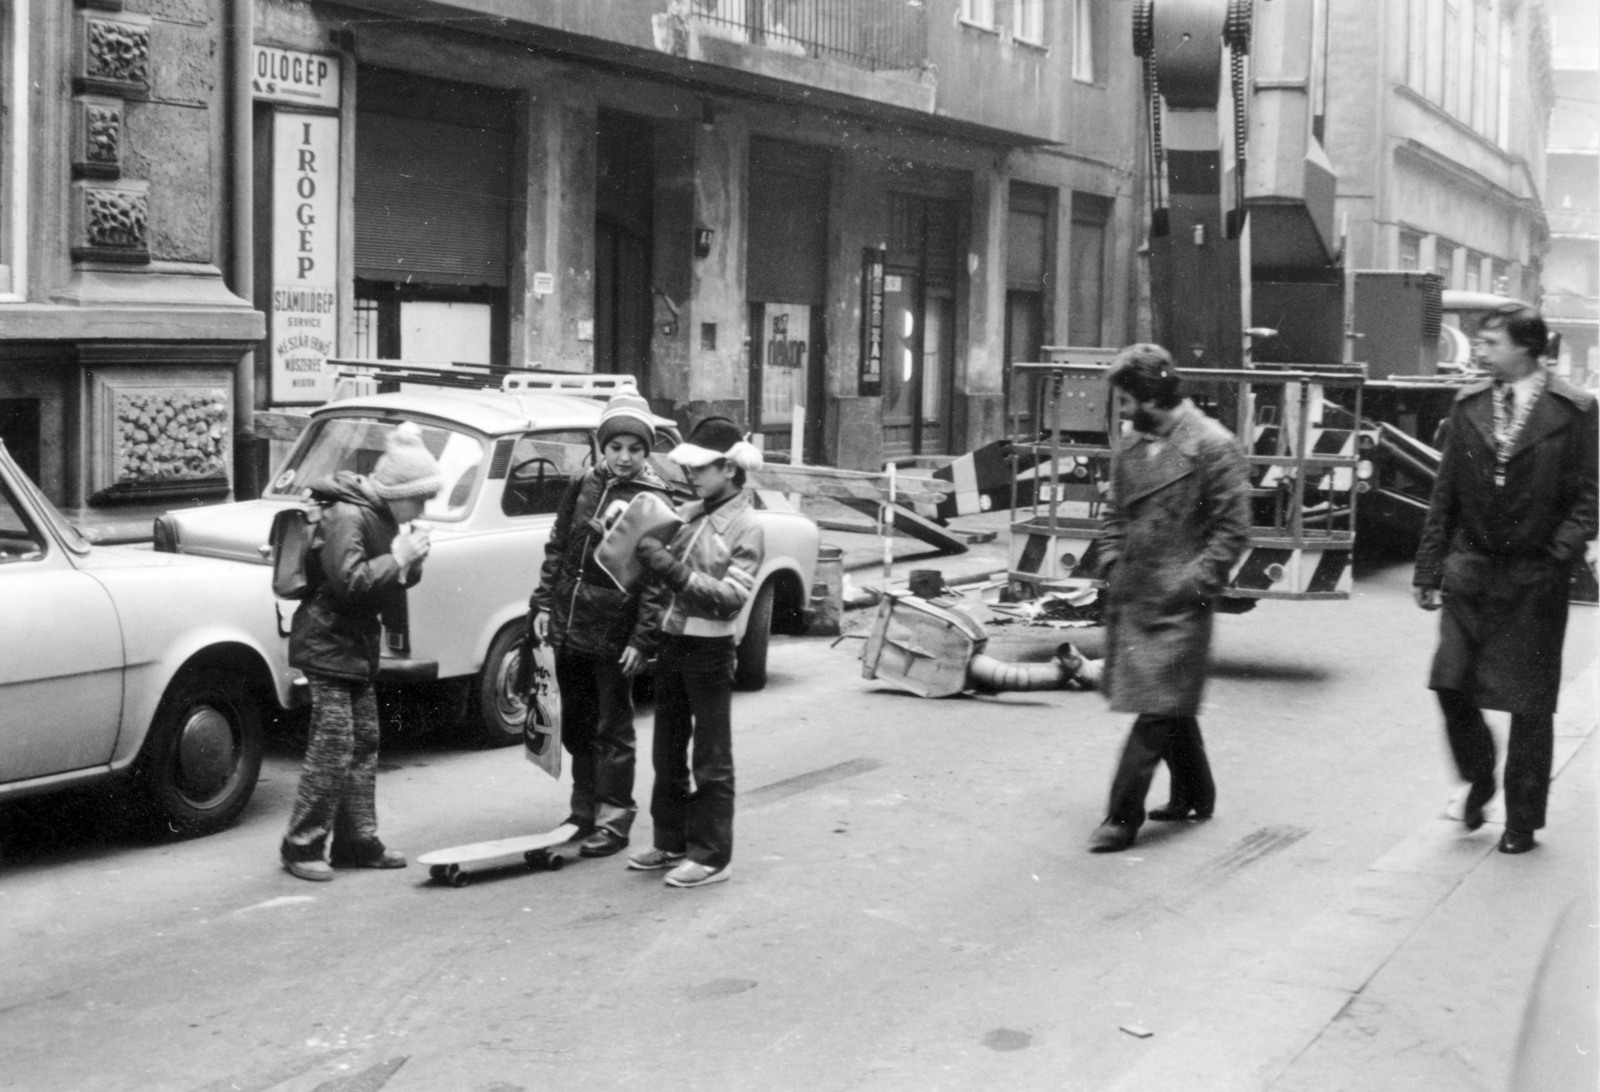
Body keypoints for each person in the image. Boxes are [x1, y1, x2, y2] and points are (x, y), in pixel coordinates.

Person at [1413, 306, 1597, 854]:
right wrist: (1429, 568)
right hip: (1470, 568)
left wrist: (1557, 554)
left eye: (1492, 341)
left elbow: (1592, 496)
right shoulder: (1469, 404)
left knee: (1529, 704)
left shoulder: (1576, 409)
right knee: (1449, 682)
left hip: (1534, 574)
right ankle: (1479, 776)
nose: (1480, 351)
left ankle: (1521, 821)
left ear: (1528, 348)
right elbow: (1444, 493)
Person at [1089, 344, 1251, 853]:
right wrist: (1113, 562)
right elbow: (1113, 514)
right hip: (1136, 592)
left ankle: (1121, 816)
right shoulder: (1132, 446)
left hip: (1181, 599)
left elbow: (1233, 528)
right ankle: (1195, 793)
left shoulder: (1213, 445)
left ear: (1150, 397)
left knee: (1155, 707)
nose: (1123, 413)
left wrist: (1193, 583)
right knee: (1168, 701)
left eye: (1127, 401)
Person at [281, 423, 442, 881]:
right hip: (328, 644)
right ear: (398, 490)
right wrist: (400, 559)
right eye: (421, 497)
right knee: (333, 745)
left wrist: (411, 564)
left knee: (363, 742)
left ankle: (357, 841)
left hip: (351, 646)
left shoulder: (381, 516)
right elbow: (350, 582)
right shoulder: (349, 516)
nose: (424, 506)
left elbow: (382, 585)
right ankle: (301, 845)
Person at [527, 393, 673, 858]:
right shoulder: (583, 484)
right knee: (576, 724)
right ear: (601, 447)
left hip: (614, 631)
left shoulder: (654, 500)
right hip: (569, 624)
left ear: (646, 451)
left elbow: (656, 581)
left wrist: (642, 638)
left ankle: (614, 819)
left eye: (635, 448)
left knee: (613, 728)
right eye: (616, 448)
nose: (624, 457)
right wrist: (544, 604)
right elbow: (558, 547)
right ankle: (583, 809)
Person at [627, 417, 765, 888]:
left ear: (729, 468)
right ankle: (670, 841)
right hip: (672, 642)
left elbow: (730, 597)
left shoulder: (746, 527)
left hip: (710, 651)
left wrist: (670, 569)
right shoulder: (688, 513)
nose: (692, 475)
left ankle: (711, 856)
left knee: (710, 756)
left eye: (702, 467)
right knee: (667, 751)